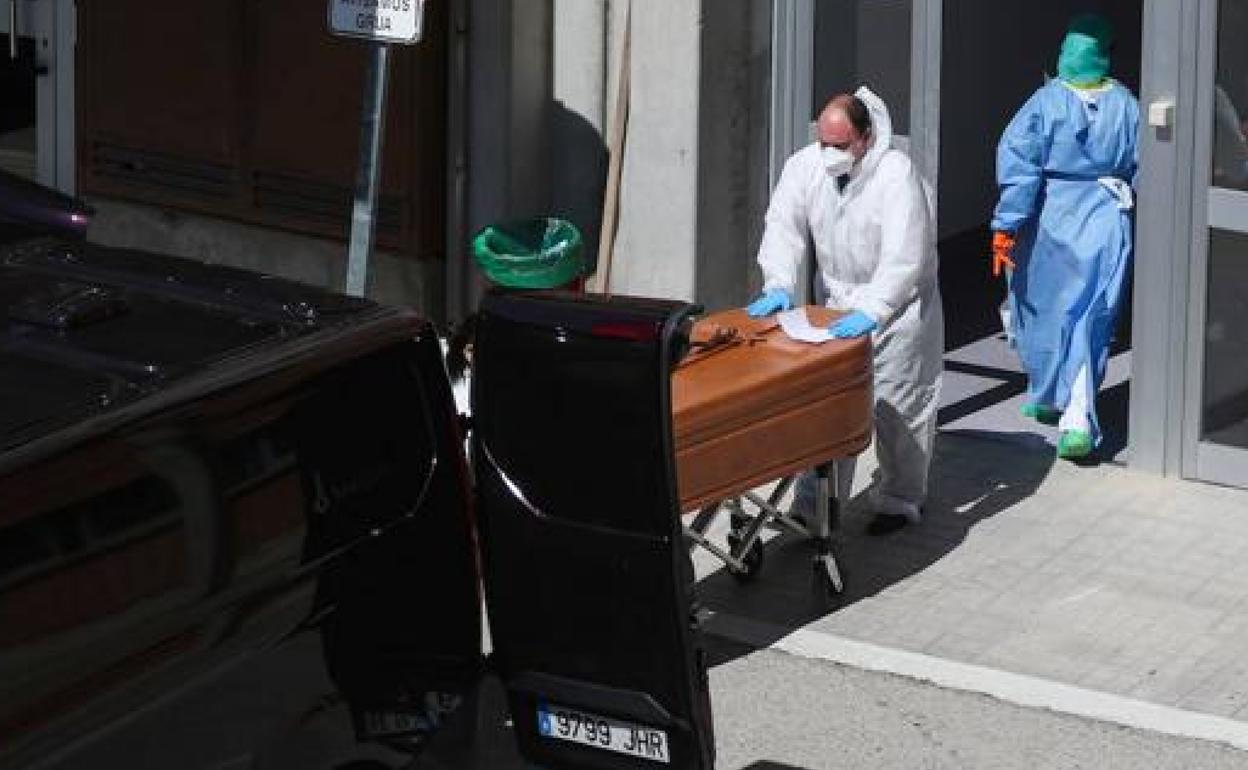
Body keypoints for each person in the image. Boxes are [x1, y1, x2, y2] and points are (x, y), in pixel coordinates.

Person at [745, 86, 944, 535]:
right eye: (824, 142)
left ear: (866, 137)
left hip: (899, 309)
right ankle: (815, 507)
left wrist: (875, 308)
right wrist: (778, 282)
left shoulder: (896, 175)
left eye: (840, 144)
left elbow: (905, 256)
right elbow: (782, 225)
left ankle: (900, 500)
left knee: (899, 406)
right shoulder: (805, 166)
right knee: (829, 411)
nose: (829, 153)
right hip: (836, 307)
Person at [991, 13, 1139, 460]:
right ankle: (1053, 398)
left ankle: (1077, 419)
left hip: (1051, 221)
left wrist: (1006, 225)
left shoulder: (1044, 103)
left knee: (1051, 315)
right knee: (1090, 317)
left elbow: (1019, 167)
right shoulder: (1126, 105)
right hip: (1106, 219)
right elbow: (1145, 163)